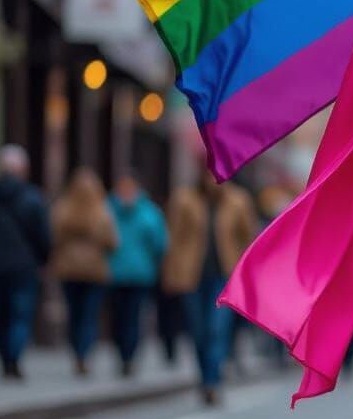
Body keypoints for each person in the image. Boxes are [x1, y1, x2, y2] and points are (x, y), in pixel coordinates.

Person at [163, 173, 256, 405]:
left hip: (224, 277)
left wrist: (247, 275)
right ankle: (205, 378)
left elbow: (248, 239)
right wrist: (171, 274)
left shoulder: (238, 201)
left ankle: (213, 381)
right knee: (198, 332)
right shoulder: (184, 200)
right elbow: (173, 239)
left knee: (216, 329)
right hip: (191, 276)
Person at [0, 145, 50, 379]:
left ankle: (5, 359)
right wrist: (43, 259)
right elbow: (42, 235)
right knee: (19, 314)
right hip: (24, 267)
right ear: (22, 169)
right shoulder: (32, 198)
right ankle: (14, 357)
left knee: (1, 314)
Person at [50, 167, 118, 376]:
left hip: (69, 270)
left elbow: (53, 238)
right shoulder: (102, 212)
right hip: (94, 271)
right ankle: (84, 352)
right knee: (89, 315)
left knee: (74, 313)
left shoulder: (62, 210)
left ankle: (76, 351)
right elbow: (112, 242)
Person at [107, 170, 168, 376]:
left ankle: (129, 356)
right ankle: (122, 352)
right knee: (117, 318)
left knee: (133, 317)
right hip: (114, 274)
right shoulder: (108, 210)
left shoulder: (148, 212)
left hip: (140, 274)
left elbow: (160, 243)